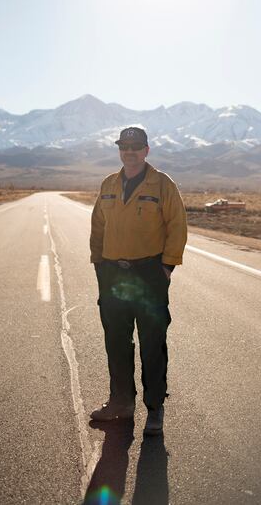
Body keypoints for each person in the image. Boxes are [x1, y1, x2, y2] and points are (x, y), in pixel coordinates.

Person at [90, 126, 187, 435]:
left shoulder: (162, 184)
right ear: (120, 150)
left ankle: (155, 409)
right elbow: (97, 228)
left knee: (152, 345)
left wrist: (167, 267)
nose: (129, 151)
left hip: (149, 275)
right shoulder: (108, 184)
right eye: (124, 146)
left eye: (135, 146)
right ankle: (121, 403)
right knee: (116, 342)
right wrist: (99, 266)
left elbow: (177, 225)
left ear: (147, 150)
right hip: (113, 274)